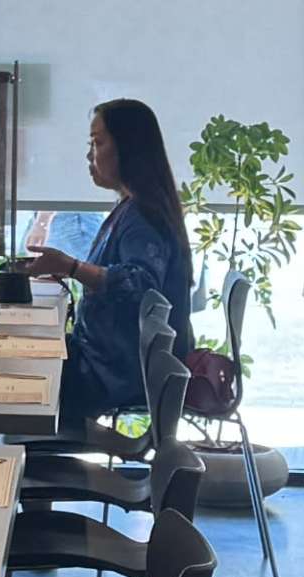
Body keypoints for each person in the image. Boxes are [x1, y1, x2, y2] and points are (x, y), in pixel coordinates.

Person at [20, 97, 196, 442]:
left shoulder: (142, 217)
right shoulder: (132, 208)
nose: (90, 155)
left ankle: (25, 462)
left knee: (16, 375)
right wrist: (68, 270)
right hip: (103, 359)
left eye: (98, 143)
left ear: (128, 149)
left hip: (113, 371)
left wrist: (72, 267)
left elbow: (142, 286)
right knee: (25, 357)